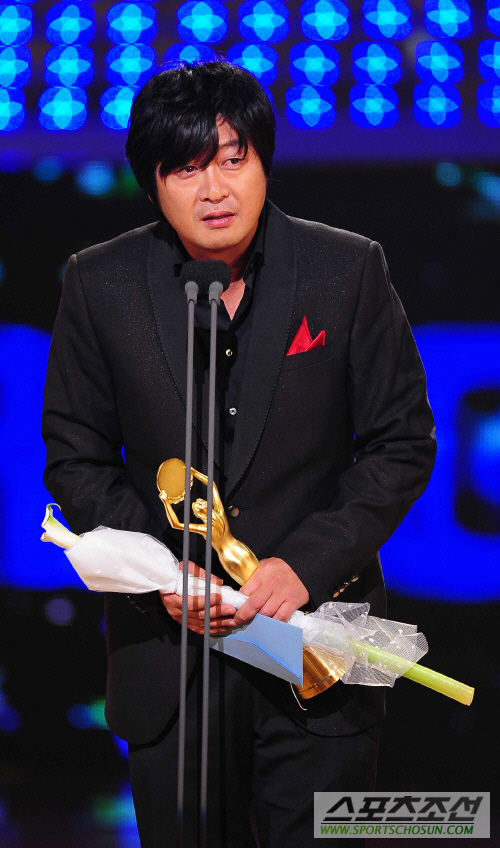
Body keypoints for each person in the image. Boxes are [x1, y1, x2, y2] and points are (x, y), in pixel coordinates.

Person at [42, 61, 436, 847]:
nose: (214, 188)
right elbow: (76, 456)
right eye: (186, 168)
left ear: (264, 161)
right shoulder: (100, 283)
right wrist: (163, 573)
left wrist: (304, 565)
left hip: (318, 651)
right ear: (152, 183)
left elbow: (401, 442)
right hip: (173, 662)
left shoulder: (346, 269)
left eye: (232, 158)